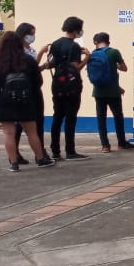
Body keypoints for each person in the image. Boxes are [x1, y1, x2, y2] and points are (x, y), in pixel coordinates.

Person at [0, 31, 55, 170]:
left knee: (9, 134)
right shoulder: (28, 60)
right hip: (25, 101)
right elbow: (37, 82)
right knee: (31, 132)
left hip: (4, 102)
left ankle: (14, 163)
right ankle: (41, 159)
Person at [40, 16, 89, 160]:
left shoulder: (55, 44)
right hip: (72, 86)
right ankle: (70, 150)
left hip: (57, 84)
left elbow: (52, 63)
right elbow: (76, 68)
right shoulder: (74, 46)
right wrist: (87, 57)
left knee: (57, 116)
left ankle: (55, 150)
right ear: (76, 30)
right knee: (70, 117)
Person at [91, 32, 134, 152]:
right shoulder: (113, 52)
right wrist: (115, 65)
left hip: (98, 91)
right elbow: (124, 68)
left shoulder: (93, 54)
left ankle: (105, 145)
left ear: (96, 42)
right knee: (118, 116)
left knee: (101, 118)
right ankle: (121, 142)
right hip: (113, 92)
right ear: (108, 41)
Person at [12, 22, 44, 165]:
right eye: (31, 33)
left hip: (33, 88)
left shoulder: (31, 50)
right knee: (18, 125)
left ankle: (40, 152)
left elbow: (34, 68)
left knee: (36, 122)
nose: (33, 36)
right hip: (21, 90)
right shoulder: (16, 51)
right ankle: (15, 154)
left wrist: (43, 62)